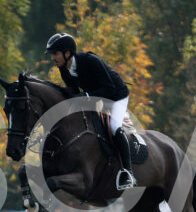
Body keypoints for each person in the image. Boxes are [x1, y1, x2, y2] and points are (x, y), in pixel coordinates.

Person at [45, 33, 136, 190]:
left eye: (55, 54)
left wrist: (85, 96)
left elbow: (109, 88)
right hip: (97, 98)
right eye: (52, 54)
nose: (53, 58)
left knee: (114, 127)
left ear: (67, 53)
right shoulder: (64, 69)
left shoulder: (90, 61)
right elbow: (73, 91)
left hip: (117, 96)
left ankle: (128, 172)